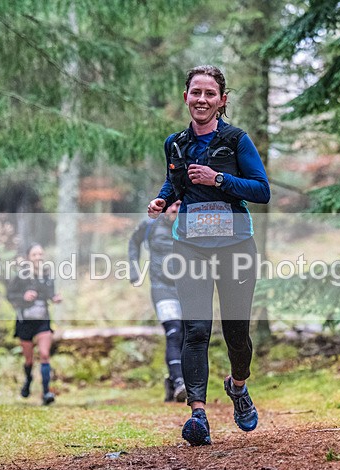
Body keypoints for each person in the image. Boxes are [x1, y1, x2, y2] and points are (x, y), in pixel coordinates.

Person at [147, 65, 270, 446]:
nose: (202, 99)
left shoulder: (236, 141)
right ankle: (198, 415)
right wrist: (163, 197)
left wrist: (219, 180)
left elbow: (261, 190)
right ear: (185, 97)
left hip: (235, 247)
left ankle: (237, 387)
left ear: (222, 100)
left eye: (210, 94)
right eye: (195, 92)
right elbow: (175, 179)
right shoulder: (175, 143)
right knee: (196, 329)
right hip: (191, 246)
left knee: (236, 333)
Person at [128, 200, 187, 403]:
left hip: (187, 288)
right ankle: (180, 382)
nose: (174, 209)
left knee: (188, 334)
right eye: (171, 205)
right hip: (161, 288)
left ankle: (171, 381)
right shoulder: (150, 225)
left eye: (179, 205)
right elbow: (133, 242)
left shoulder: (192, 226)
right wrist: (133, 268)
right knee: (174, 332)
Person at [7, 243, 62, 405]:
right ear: (28, 257)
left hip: (43, 320)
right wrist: (24, 297)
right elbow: (10, 296)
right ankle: (28, 380)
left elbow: (50, 294)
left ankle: (46, 393)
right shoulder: (20, 277)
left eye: (40, 254)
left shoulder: (46, 276)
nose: (38, 257)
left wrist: (55, 298)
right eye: (35, 255)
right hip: (25, 321)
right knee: (29, 359)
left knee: (45, 355)